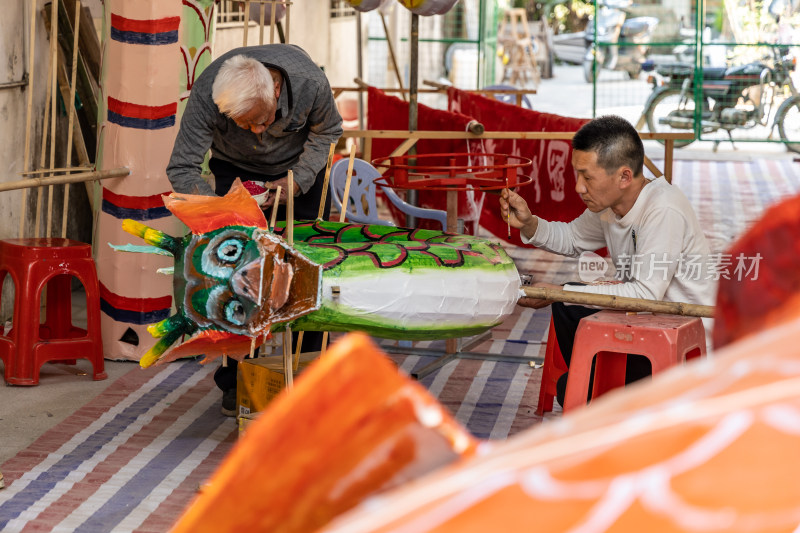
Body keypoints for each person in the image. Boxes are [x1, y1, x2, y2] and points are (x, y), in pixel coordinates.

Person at [167, 44, 343, 416]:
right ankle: (237, 380)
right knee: (236, 272)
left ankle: (307, 370)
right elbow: (182, 168)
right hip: (234, 173)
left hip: (298, 172)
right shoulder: (207, 94)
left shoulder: (311, 82)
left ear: (276, 90)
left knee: (305, 269)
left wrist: (298, 181)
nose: (259, 134)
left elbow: (329, 129)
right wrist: (224, 205)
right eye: (245, 125)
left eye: (263, 121)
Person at [500, 115, 715, 406]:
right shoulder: (610, 206)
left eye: (587, 177)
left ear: (624, 176)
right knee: (567, 306)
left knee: (567, 305)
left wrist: (559, 290)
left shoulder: (663, 209)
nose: (579, 187)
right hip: (646, 324)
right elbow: (572, 238)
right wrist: (528, 223)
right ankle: (592, 383)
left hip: (679, 344)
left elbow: (645, 294)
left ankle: (594, 389)